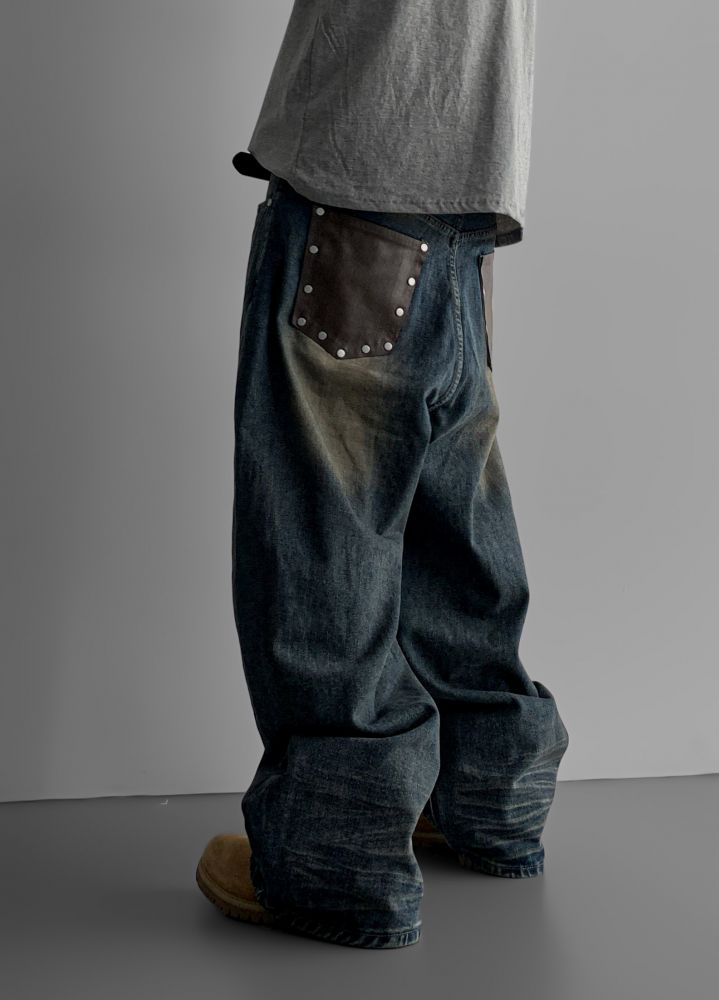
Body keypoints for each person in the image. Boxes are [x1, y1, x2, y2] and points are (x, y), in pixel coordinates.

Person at [196, 0, 569, 949]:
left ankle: (337, 857)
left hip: (357, 174)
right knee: (454, 516)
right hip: (471, 199)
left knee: (322, 536)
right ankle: (487, 798)